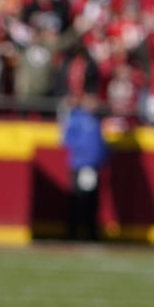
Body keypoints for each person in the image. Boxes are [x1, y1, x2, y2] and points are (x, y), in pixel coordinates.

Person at [61, 94, 108, 241]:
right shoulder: (77, 118)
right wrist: (83, 154)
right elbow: (67, 139)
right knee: (78, 200)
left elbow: (101, 144)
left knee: (92, 201)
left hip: (93, 166)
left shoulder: (96, 119)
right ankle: (73, 232)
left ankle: (91, 233)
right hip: (81, 165)